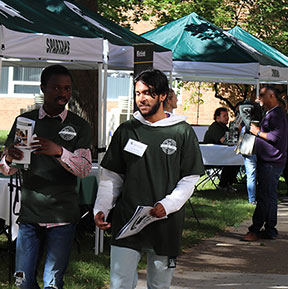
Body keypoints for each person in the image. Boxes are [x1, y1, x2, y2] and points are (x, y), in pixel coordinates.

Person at [94, 69, 204, 289]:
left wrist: (167, 205)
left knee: (159, 285)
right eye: (137, 93)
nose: (141, 99)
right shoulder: (126, 130)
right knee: (119, 283)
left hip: (165, 222)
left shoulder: (182, 132)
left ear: (163, 96)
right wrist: (102, 208)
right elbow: (111, 176)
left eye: (148, 93)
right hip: (127, 220)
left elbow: (189, 178)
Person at [1, 64, 92, 289]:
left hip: (62, 216)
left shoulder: (79, 126)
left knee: (52, 282)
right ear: (43, 88)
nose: (63, 94)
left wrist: (59, 152)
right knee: (23, 281)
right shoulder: (26, 121)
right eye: (56, 88)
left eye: (68, 89)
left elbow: (84, 169)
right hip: (30, 215)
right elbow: (7, 169)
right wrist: (9, 160)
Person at [241, 86, 288, 241]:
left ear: (272, 96)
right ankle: (270, 229)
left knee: (263, 196)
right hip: (271, 160)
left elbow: (275, 137)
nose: (259, 98)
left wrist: (257, 132)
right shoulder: (272, 113)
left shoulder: (276, 114)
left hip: (271, 162)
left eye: (262, 95)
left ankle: (255, 229)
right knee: (270, 196)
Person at [235, 96, 264, 204]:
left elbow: (240, 139)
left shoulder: (245, 126)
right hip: (260, 150)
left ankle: (252, 199)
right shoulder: (261, 124)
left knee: (251, 175)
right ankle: (261, 196)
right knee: (261, 175)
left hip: (248, 151)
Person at [203, 107, 239, 191]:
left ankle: (228, 183)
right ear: (217, 117)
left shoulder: (224, 128)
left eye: (227, 115)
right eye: (224, 116)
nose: (227, 118)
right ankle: (223, 184)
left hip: (220, 155)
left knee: (236, 160)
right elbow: (224, 140)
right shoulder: (215, 127)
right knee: (231, 161)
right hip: (211, 158)